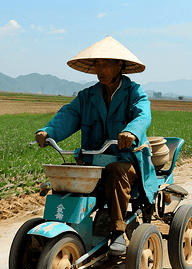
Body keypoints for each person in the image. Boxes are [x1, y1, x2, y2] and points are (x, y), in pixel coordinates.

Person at [35, 36, 158, 255]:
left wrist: (131, 131)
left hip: (126, 162)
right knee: (65, 174)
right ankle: (64, 229)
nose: (99, 69)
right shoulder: (87, 96)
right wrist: (49, 132)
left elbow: (143, 115)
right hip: (93, 162)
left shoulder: (134, 93)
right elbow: (69, 115)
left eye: (106, 63)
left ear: (119, 65)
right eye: (97, 64)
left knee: (115, 172)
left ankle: (118, 231)